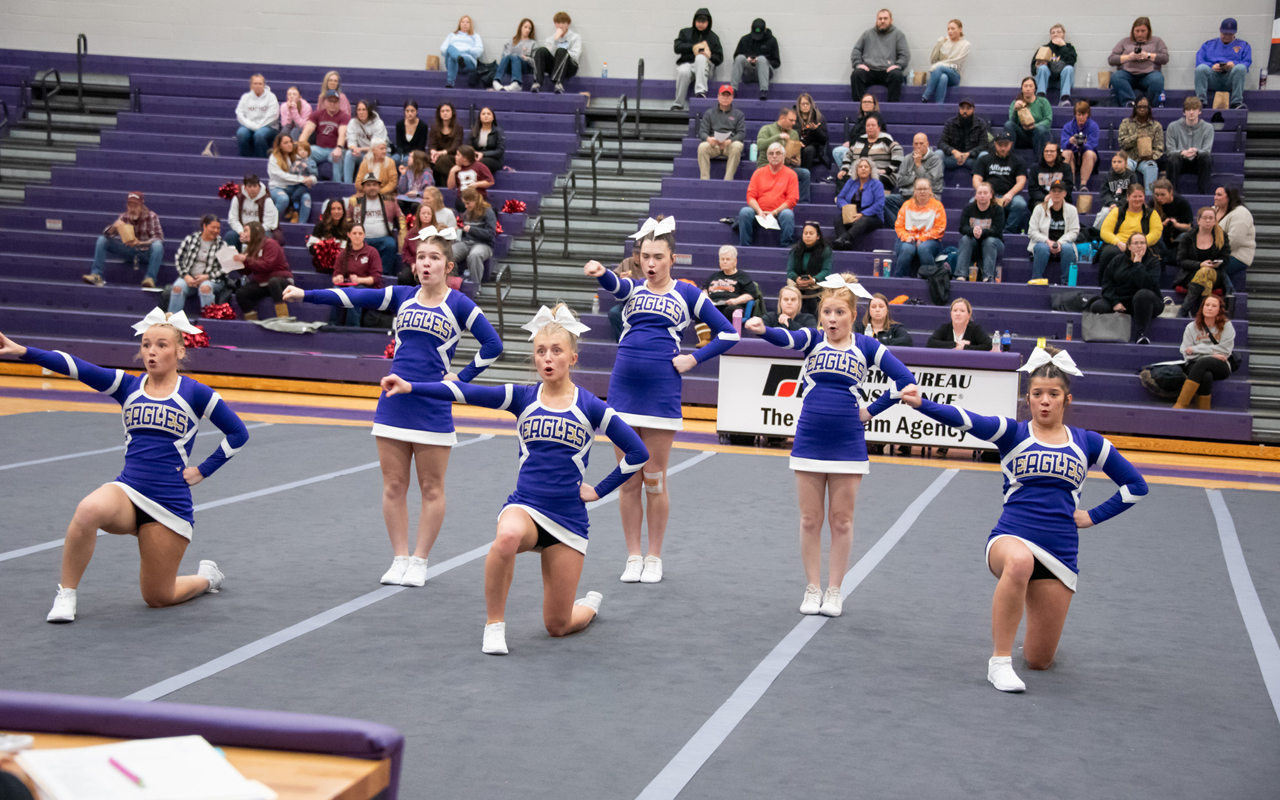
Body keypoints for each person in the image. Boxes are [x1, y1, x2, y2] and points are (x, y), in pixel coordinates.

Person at [382, 305, 648, 654]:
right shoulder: (522, 397)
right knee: (506, 537)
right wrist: (410, 386)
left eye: (556, 351)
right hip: (526, 507)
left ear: (572, 357)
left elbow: (638, 453)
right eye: (541, 351)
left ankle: (589, 605)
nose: (547, 358)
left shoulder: (591, 406)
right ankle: (494, 625)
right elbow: (463, 393)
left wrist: (599, 491)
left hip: (568, 520)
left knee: (558, 626)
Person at [899, 346, 1147, 692]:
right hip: (1011, 539)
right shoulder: (1013, 433)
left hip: (1060, 552)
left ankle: (1027, 642)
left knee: (1038, 661)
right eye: (1037, 394)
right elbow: (966, 419)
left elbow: (1136, 486)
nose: (1045, 401)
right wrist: (921, 404)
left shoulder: (1088, 442)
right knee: (1019, 563)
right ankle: (999, 662)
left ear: (1067, 399)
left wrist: (1093, 516)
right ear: (1027, 398)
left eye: (1053, 394)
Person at [284, 229, 502, 585]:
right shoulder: (402, 295)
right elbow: (354, 296)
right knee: (393, 485)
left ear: (448, 266)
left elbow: (493, 344)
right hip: (394, 402)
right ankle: (400, 557)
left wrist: (460, 379)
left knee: (431, 487)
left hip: (432, 403)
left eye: (434, 258)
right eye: (421, 257)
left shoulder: (459, 304)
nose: (426, 263)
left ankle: (420, 560)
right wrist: (306, 294)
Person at [0, 321, 249, 623]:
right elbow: (76, 367)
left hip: (169, 505)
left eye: (161, 345)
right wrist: (23, 351)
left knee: (158, 597)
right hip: (128, 493)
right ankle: (67, 594)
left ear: (180, 351)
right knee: (88, 510)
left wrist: (203, 470)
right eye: (146, 345)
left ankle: (207, 578)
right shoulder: (127, 386)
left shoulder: (196, 393)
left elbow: (238, 432)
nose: (151, 352)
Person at [744, 273, 916, 616]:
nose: (832, 319)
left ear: (853, 315)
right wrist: (764, 331)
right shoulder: (813, 338)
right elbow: (787, 338)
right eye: (827, 312)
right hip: (809, 439)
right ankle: (812, 588)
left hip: (848, 444)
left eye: (839, 313)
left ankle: (835, 590)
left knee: (842, 521)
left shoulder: (866, 346)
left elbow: (906, 380)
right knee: (810, 519)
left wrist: (870, 411)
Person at [584, 217, 739, 583]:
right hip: (623, 392)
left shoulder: (687, 293)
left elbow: (728, 334)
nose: (650, 264)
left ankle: (654, 555)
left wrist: (694, 359)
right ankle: (633, 555)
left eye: (658, 257)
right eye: (645, 257)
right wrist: (601, 273)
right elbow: (616, 284)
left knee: (654, 479)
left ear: (672, 258)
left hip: (661, 394)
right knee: (628, 479)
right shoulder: (633, 289)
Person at [82, 192, 164, 288]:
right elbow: (107, 234)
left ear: (142, 206)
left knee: (158, 246)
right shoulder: (124, 217)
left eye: (135, 206)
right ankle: (96, 275)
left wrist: (140, 243)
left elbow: (159, 237)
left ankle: (150, 278)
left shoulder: (152, 216)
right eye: (130, 206)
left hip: (145, 251)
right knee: (102, 240)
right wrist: (113, 227)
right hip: (128, 250)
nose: (132, 209)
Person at [1092, 232, 1162, 344]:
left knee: (1142, 294)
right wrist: (1115, 302)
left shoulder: (1153, 262)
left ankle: (1141, 334)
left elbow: (1148, 285)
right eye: (1136, 243)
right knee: (1097, 306)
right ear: (1129, 246)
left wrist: (1138, 264)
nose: (1139, 246)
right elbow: (1107, 284)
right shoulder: (1117, 260)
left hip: (1147, 303)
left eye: (1142, 243)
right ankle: (1108, 334)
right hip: (1122, 301)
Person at [1174, 295, 1235, 409]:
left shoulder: (1227, 326)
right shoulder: (1191, 327)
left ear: (1220, 310)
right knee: (1206, 376)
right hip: (1193, 363)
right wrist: (1213, 354)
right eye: (1207, 305)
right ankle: (1204, 410)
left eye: (1214, 306)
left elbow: (1225, 351)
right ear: (1202, 308)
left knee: (1203, 362)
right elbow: (1185, 352)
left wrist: (1196, 349)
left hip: (1220, 365)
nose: (1209, 308)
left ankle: (1181, 404)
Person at [738, 142, 799, 247]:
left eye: (778, 153)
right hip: (759, 213)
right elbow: (750, 196)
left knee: (788, 214)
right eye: (771, 153)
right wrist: (759, 211)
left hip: (779, 213)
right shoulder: (758, 173)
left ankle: (785, 247)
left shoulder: (791, 174)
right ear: (767, 156)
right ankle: (745, 247)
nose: (774, 156)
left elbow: (792, 200)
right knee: (745, 212)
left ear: (783, 156)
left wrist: (774, 212)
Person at [1174, 207, 1231, 316]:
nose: (1208, 221)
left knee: (1205, 272)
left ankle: (1184, 310)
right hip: (1191, 274)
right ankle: (1202, 315)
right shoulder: (1187, 237)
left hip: (1215, 274)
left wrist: (1215, 264)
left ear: (1215, 221)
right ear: (1198, 220)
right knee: (1206, 280)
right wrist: (1200, 265)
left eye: (1211, 218)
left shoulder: (1222, 236)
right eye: (1205, 218)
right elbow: (1181, 261)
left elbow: (1226, 258)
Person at [168, 215, 228, 315]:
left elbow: (224, 268)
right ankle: (173, 319)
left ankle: (208, 318)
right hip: (189, 278)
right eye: (213, 227)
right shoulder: (190, 239)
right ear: (204, 226)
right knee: (177, 287)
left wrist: (207, 277)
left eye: (218, 228)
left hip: (212, 280)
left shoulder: (222, 244)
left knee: (205, 288)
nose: (216, 230)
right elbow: (179, 259)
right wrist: (186, 276)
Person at [348, 173, 407, 275]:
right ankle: (362, 275)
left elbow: (401, 218)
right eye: (368, 185)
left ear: (380, 186)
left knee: (391, 244)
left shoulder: (390, 200)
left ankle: (384, 275)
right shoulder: (355, 201)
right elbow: (348, 220)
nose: (372, 187)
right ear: (363, 187)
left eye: (374, 185)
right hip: (362, 239)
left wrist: (403, 233)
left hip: (384, 239)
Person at [232, 222, 292, 320]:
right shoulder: (250, 249)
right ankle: (252, 322)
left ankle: (283, 318)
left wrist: (247, 259)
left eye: (246, 230)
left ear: (256, 230)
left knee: (273, 282)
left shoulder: (270, 244)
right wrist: (238, 264)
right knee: (241, 293)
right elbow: (247, 272)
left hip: (281, 280)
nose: (243, 233)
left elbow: (267, 265)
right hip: (263, 283)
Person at [327, 223, 383, 327]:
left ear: (364, 235)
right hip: (348, 286)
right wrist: (338, 279)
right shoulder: (343, 253)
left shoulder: (372, 252)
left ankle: (352, 327)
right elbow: (335, 277)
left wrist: (359, 280)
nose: (357, 236)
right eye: (354, 233)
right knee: (335, 291)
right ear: (349, 235)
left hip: (367, 287)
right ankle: (333, 325)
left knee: (353, 292)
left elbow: (376, 278)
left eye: (360, 233)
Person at [850, 8, 910, 102]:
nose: (882, 21)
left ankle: (892, 107)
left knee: (897, 75)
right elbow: (856, 50)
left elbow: (905, 54)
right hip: (869, 70)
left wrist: (898, 65)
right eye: (880, 18)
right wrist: (858, 64)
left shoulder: (898, 35)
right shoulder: (867, 34)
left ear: (891, 20)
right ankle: (859, 107)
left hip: (888, 71)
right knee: (856, 74)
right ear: (877, 20)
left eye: (885, 18)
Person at [1097, 183, 1163, 267]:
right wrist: (1117, 242)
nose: (1138, 199)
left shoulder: (1152, 214)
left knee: (1152, 257)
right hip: (1119, 245)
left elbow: (1156, 233)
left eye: (1140, 196)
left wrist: (1140, 244)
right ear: (1128, 197)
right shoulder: (1116, 211)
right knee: (1108, 253)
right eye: (1134, 196)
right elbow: (1105, 231)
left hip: (1142, 245)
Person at [974, 132, 1028, 233]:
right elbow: (976, 179)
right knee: (972, 202)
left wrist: (1010, 194)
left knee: (1020, 204)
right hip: (989, 195)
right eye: (1000, 145)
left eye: (1006, 145)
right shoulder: (984, 159)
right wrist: (984, 193)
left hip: (1009, 196)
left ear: (1011, 144)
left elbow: (1021, 181)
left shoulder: (1018, 161)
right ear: (995, 144)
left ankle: (1008, 231)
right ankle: (981, 231)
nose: (1003, 148)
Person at [892, 178, 947, 279]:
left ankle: (932, 279)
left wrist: (923, 238)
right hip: (908, 239)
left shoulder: (937, 206)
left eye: (925, 189)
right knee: (907, 249)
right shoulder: (906, 205)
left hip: (931, 240)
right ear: (915, 191)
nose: (922, 192)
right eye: (919, 189)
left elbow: (940, 228)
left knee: (924, 248)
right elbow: (899, 226)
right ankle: (899, 279)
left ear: (930, 190)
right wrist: (907, 237)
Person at [1108, 17, 1168, 107]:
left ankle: (1150, 106)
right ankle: (1130, 103)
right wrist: (1128, 57)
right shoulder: (1125, 41)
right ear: (1133, 31)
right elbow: (1111, 59)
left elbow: (1165, 58)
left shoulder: (1157, 41)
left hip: (1149, 74)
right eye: (1137, 31)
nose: (1140, 34)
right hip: (1128, 74)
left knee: (1158, 79)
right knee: (1116, 77)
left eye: (1143, 31)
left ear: (1148, 31)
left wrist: (1148, 55)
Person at [1027, 181, 1080, 282]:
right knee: (1042, 248)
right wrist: (1047, 241)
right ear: (1049, 193)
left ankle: (1066, 284)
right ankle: (1036, 281)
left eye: (1059, 191)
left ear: (1065, 193)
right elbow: (1032, 231)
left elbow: (1074, 231)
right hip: (1044, 244)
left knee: (1068, 248)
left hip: (1063, 244)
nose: (1056, 193)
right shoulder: (1039, 208)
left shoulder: (1072, 210)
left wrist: (1059, 243)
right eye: (1054, 191)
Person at [885, 132, 943, 224]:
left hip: (928, 196)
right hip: (908, 195)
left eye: (921, 143)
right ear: (912, 145)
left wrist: (918, 165)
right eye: (916, 144)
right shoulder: (907, 158)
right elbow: (899, 181)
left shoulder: (936, 159)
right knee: (885, 200)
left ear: (927, 144)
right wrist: (915, 178)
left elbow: (930, 182)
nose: (918, 146)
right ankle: (900, 225)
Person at [756, 106, 811, 202]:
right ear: (782, 118)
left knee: (805, 173)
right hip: (767, 166)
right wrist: (779, 137)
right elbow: (760, 145)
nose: (794, 123)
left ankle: (804, 204)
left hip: (785, 167)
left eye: (794, 121)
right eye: (791, 120)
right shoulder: (767, 129)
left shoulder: (794, 133)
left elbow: (795, 155)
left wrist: (796, 160)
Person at [672, 8, 723, 111]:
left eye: (703, 22)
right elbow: (677, 47)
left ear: (708, 23)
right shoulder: (685, 33)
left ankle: (700, 92)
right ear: (694, 21)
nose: (700, 24)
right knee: (682, 71)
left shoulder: (713, 37)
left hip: (706, 68)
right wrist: (694, 47)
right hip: (688, 65)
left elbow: (720, 58)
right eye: (698, 21)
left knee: (700, 57)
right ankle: (678, 103)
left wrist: (709, 56)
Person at [1196, 18, 1251, 110]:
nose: (1227, 36)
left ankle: (1236, 103)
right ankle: (1201, 102)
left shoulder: (1244, 45)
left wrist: (1234, 65)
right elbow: (1199, 61)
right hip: (1213, 77)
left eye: (1230, 34)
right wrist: (1211, 66)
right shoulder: (1208, 44)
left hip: (1230, 78)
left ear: (1235, 32)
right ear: (1220, 30)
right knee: (1201, 68)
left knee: (1241, 68)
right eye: (1225, 33)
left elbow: (1247, 62)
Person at [832, 157, 885, 250]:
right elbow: (840, 197)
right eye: (860, 167)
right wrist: (846, 207)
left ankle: (844, 238)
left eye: (866, 167)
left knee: (864, 220)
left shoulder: (877, 184)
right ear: (856, 170)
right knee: (837, 218)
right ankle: (846, 243)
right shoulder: (851, 182)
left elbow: (879, 204)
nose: (863, 169)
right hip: (852, 214)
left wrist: (862, 214)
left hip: (872, 217)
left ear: (870, 170)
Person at [838, 116, 901, 194]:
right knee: (841, 177)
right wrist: (845, 169)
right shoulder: (860, 139)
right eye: (868, 125)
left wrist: (888, 170)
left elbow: (898, 152)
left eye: (873, 125)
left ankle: (867, 200)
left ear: (879, 128)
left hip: (880, 173)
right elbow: (848, 155)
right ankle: (843, 200)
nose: (870, 127)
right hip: (860, 172)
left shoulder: (885, 139)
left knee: (874, 180)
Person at [957, 183, 1006, 282]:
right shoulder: (968, 208)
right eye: (979, 193)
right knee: (965, 239)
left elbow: (997, 230)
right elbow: (962, 228)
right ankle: (961, 275)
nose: (982, 195)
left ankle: (988, 277)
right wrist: (973, 231)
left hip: (994, 245)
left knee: (989, 240)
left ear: (991, 195)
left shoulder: (998, 210)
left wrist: (982, 232)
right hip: (974, 245)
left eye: (985, 193)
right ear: (975, 195)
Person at [697, 85, 746, 180]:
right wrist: (709, 139)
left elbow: (741, 133)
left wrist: (729, 141)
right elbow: (702, 132)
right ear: (718, 96)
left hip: (729, 145)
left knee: (737, 146)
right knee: (702, 147)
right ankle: (704, 180)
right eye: (723, 95)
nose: (725, 98)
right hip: (714, 145)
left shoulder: (739, 114)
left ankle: (728, 180)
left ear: (732, 97)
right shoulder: (709, 113)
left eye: (728, 95)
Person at [1166, 97, 1214, 195]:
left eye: (1194, 109)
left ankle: (1203, 195)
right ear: (1184, 112)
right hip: (1180, 161)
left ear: (1199, 111)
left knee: (1206, 157)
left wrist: (1196, 151)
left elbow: (1206, 150)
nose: (1191, 112)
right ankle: (1171, 194)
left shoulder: (1208, 128)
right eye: (1188, 109)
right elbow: (1170, 151)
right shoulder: (1172, 126)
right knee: (1173, 158)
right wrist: (1182, 152)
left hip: (1197, 161)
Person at [299, 90, 349, 179]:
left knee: (337, 157)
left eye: (335, 101)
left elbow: (342, 134)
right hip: (320, 149)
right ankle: (311, 178)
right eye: (330, 101)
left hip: (335, 149)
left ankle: (337, 184)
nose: (332, 104)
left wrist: (339, 147)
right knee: (306, 151)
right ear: (325, 102)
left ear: (339, 103)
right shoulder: (317, 114)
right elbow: (307, 131)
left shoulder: (344, 116)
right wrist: (300, 146)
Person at [1117, 97, 1164, 191]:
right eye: (1139, 107)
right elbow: (1122, 143)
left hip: (1146, 160)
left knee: (1151, 166)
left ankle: (1149, 196)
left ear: (1149, 108)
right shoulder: (1126, 123)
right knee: (1125, 165)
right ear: (1135, 108)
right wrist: (1136, 137)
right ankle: (1123, 196)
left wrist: (1151, 156)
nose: (1142, 109)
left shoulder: (1156, 126)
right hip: (1129, 158)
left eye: (1145, 107)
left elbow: (1159, 148)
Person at [267, 133, 315, 224]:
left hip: (294, 188)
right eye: (286, 143)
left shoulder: (297, 156)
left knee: (306, 198)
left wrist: (312, 179)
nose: (289, 145)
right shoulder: (274, 158)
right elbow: (281, 176)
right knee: (283, 199)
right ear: (279, 145)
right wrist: (302, 179)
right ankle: (271, 224)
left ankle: (301, 226)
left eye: (290, 142)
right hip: (277, 187)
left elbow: (311, 168)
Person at [832, 94, 889, 169]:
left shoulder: (875, 118)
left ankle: (851, 172)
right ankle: (848, 172)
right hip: (857, 148)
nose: (866, 104)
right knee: (837, 151)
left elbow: (866, 136)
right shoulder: (861, 119)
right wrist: (850, 143)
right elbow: (854, 135)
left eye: (869, 102)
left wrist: (851, 144)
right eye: (864, 102)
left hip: (870, 150)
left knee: (841, 152)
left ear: (874, 105)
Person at [787, 222, 833, 315]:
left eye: (811, 233)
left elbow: (826, 270)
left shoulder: (825, 250)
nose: (808, 236)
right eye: (805, 233)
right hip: (798, 283)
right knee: (787, 291)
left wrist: (814, 280)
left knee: (810, 293)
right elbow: (790, 270)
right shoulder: (795, 250)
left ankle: (813, 320)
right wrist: (797, 279)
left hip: (817, 283)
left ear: (818, 236)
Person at [453, 188, 497, 281]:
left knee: (475, 255)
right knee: (448, 253)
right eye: (464, 203)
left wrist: (472, 229)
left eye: (468, 203)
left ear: (475, 200)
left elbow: (490, 234)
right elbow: (466, 233)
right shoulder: (466, 213)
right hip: (467, 242)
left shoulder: (488, 212)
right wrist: (459, 231)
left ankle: (475, 285)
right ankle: (453, 282)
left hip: (484, 244)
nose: (466, 206)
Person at [531, 11, 582, 94]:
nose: (560, 26)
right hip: (554, 68)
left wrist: (563, 53)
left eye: (563, 23)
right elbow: (550, 55)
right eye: (558, 23)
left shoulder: (575, 37)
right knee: (541, 50)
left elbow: (575, 56)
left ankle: (558, 83)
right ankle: (537, 83)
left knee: (561, 51)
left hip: (570, 67)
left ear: (568, 24)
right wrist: (556, 40)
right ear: (555, 24)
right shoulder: (550, 39)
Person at [1214, 186, 1255, 288]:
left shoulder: (1241, 213)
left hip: (1237, 255)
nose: (1215, 197)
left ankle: (1229, 292)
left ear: (1229, 197)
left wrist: (1210, 252)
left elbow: (1234, 242)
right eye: (1215, 194)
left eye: (1219, 195)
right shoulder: (1213, 210)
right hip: (1215, 252)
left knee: (1212, 269)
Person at [701, 245, 755, 321]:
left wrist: (736, 301)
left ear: (735, 261)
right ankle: (703, 330)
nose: (725, 261)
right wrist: (707, 299)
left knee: (730, 310)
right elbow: (704, 289)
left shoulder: (743, 276)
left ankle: (725, 329)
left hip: (732, 306)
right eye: (722, 259)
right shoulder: (713, 276)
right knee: (701, 308)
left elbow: (750, 295)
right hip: (714, 305)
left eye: (728, 259)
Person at [921, 19, 970, 104]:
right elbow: (933, 60)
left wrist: (939, 65)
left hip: (955, 74)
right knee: (943, 77)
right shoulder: (944, 42)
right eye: (948, 29)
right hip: (939, 73)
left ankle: (925, 96)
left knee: (940, 68)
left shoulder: (965, 45)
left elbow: (956, 62)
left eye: (953, 28)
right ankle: (939, 105)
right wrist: (938, 44)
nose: (950, 31)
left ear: (960, 29)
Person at [939, 98, 991, 177]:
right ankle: (937, 184)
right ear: (959, 109)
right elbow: (941, 143)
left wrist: (969, 153)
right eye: (962, 108)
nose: (965, 111)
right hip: (953, 158)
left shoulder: (980, 123)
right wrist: (954, 152)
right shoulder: (950, 123)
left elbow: (984, 145)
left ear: (973, 110)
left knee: (984, 155)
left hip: (972, 159)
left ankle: (980, 184)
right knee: (938, 154)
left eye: (968, 108)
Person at [225, 174, 279, 248]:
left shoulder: (267, 201)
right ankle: (234, 255)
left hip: (260, 231)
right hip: (242, 231)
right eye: (249, 186)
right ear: (245, 187)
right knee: (231, 236)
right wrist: (241, 232)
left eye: (255, 186)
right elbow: (233, 220)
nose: (252, 189)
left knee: (267, 236)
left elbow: (269, 223)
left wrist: (252, 233)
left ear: (259, 186)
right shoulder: (237, 199)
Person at [732, 18, 780, 100]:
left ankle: (763, 91)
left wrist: (762, 61)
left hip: (765, 72)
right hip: (748, 72)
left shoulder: (772, 41)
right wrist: (747, 59)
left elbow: (777, 62)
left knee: (761, 59)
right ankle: (733, 90)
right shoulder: (744, 39)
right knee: (740, 57)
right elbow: (736, 57)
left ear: (765, 29)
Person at [235, 74, 279, 159]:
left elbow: (273, 116)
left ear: (264, 85)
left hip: (268, 127)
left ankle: (261, 160)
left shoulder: (271, 97)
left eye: (260, 83)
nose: (257, 86)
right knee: (241, 134)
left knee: (259, 135)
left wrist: (259, 126)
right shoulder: (245, 97)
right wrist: (252, 126)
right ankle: (245, 160)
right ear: (251, 85)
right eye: (255, 83)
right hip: (249, 126)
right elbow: (239, 114)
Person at [1031, 23, 1077, 106]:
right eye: (1053, 33)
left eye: (1058, 32)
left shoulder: (1069, 48)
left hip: (1062, 82)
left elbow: (1072, 61)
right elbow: (1033, 70)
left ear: (1063, 34)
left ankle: (1064, 99)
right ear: (1050, 36)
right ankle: (1040, 98)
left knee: (1069, 68)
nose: (1055, 34)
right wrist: (1037, 66)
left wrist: (1063, 46)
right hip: (1047, 81)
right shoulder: (1044, 48)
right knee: (1042, 68)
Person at [343, 100, 387, 185]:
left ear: (369, 111)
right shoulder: (353, 123)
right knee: (349, 154)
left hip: (377, 153)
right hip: (361, 152)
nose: (361, 112)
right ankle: (347, 185)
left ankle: (360, 186)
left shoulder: (378, 123)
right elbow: (351, 142)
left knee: (367, 158)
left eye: (364, 110)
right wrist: (355, 149)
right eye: (359, 110)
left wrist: (361, 149)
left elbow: (378, 146)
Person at [1006, 77, 1051, 157]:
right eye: (1025, 86)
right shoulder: (1015, 103)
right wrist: (1015, 110)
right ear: (1022, 88)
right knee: (1008, 124)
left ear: (1035, 88)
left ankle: (1038, 162)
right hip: (1021, 135)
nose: (1028, 89)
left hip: (1037, 134)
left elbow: (1048, 120)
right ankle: (1009, 159)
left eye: (1030, 86)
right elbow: (1012, 123)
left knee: (1041, 129)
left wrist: (1035, 126)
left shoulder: (1043, 102)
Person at [1095, 149, 1141, 227]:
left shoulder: (1131, 176)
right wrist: (1112, 203)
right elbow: (1105, 193)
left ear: (1125, 163)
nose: (1116, 164)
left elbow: (1131, 193)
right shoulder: (1108, 176)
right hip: (1110, 204)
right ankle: (1096, 231)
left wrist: (1119, 204)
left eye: (1119, 162)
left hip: (1126, 204)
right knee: (1104, 213)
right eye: (1114, 162)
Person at [1059, 101, 1099, 191]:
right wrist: (1070, 142)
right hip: (1073, 155)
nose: (1081, 117)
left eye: (1083, 114)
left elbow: (1093, 144)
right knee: (1065, 153)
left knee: (1089, 153)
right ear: (1075, 114)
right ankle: (1071, 184)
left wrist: (1083, 144)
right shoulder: (1067, 126)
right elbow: (1063, 145)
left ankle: (1083, 185)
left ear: (1088, 114)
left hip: (1087, 156)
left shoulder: (1093, 126)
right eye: (1078, 114)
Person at [927, 297, 993, 349]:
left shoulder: (975, 329)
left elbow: (988, 345)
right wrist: (956, 344)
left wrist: (964, 347)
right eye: (955, 310)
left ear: (969, 315)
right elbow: (931, 343)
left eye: (962, 311)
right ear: (951, 314)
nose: (958, 314)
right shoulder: (944, 328)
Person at [1151, 178, 1192, 263]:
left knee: (1185, 236)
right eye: (1157, 195)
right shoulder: (1153, 203)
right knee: (1156, 235)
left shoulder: (1182, 203)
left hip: (1177, 235)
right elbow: (1149, 225)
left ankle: (1167, 258)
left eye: (1163, 195)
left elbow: (1188, 227)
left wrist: (1176, 224)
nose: (1159, 198)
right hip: (1162, 236)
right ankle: (1166, 257)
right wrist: (1162, 224)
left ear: (1171, 192)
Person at [495, 18, 538, 91]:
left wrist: (526, 58)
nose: (527, 30)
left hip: (524, 67)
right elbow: (503, 57)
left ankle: (516, 83)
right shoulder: (512, 41)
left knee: (515, 57)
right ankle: (496, 81)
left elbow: (536, 63)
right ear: (521, 28)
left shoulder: (533, 43)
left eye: (529, 28)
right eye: (525, 27)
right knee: (508, 57)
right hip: (510, 66)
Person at [607, 257, 644, 341]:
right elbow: (613, 277)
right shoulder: (627, 262)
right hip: (627, 300)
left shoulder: (649, 264)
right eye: (635, 253)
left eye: (638, 254)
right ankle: (621, 340)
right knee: (614, 312)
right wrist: (620, 278)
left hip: (644, 300)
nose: (636, 256)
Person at [441, 15, 483, 89]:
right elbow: (443, 49)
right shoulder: (452, 35)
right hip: (453, 60)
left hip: (467, 61)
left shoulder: (475, 36)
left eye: (467, 22)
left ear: (470, 24)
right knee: (450, 48)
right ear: (459, 24)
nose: (465, 24)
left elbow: (479, 51)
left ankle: (450, 82)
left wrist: (467, 49)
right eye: (463, 22)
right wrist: (456, 52)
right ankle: (458, 57)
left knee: (453, 57)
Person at [1028, 141, 1074, 206]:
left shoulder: (1066, 167)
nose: (1048, 153)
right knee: (1038, 206)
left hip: (1061, 199)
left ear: (1058, 153)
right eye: (1046, 151)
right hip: (1041, 200)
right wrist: (1045, 197)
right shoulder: (1035, 168)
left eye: (1052, 151)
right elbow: (1033, 189)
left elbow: (1068, 187)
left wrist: (1054, 197)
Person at [309, 198, 350, 272]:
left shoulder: (348, 227)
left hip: (342, 267)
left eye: (339, 209)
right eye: (333, 209)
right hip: (324, 266)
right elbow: (311, 247)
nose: (336, 211)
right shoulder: (320, 225)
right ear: (329, 211)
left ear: (343, 211)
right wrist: (325, 249)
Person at [428, 102, 463, 187]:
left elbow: (455, 147)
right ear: (439, 113)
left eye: (447, 111)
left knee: (442, 160)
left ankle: (449, 184)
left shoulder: (458, 128)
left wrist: (440, 153)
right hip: (438, 156)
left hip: (452, 156)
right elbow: (432, 144)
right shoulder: (434, 127)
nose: (445, 113)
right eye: (442, 111)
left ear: (452, 113)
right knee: (427, 160)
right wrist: (433, 153)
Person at [795, 93, 829, 171]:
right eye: (803, 104)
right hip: (798, 145)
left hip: (814, 147)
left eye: (807, 104)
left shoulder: (818, 118)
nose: (805, 106)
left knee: (809, 150)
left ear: (811, 105)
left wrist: (816, 130)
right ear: (799, 106)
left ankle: (805, 173)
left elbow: (824, 139)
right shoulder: (794, 118)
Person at [397, 150, 434, 214]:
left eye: (411, 157)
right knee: (398, 202)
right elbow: (402, 191)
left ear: (417, 160)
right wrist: (403, 175)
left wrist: (417, 194)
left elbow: (428, 193)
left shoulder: (427, 174)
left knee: (415, 205)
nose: (408, 159)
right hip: (407, 198)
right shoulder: (408, 171)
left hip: (420, 198)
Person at [394, 100, 429, 168]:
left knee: (407, 160)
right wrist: (401, 155)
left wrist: (412, 155)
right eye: (407, 111)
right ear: (404, 112)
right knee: (394, 159)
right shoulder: (399, 124)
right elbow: (399, 144)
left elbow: (421, 147)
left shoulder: (423, 126)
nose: (410, 113)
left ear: (417, 111)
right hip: (402, 152)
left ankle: (406, 175)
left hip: (416, 154)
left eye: (412, 111)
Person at [469, 107, 505, 172]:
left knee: (479, 163)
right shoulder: (474, 131)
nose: (486, 116)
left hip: (494, 160)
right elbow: (469, 146)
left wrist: (483, 154)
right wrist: (474, 154)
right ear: (480, 117)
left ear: (493, 117)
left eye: (488, 114)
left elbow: (500, 151)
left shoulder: (498, 132)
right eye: (483, 114)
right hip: (477, 157)